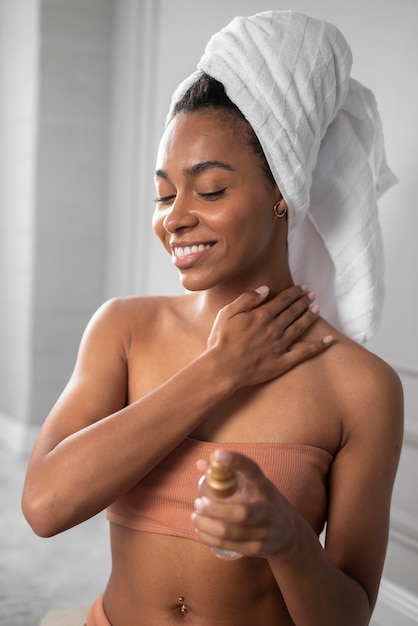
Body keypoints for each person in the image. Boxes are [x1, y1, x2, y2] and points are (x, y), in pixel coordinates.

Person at [22, 10, 403, 626]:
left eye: (211, 190)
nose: (174, 218)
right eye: (165, 193)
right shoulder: (123, 330)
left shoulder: (361, 387)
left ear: (284, 193)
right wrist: (219, 370)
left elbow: (349, 616)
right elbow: (43, 507)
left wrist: (287, 538)